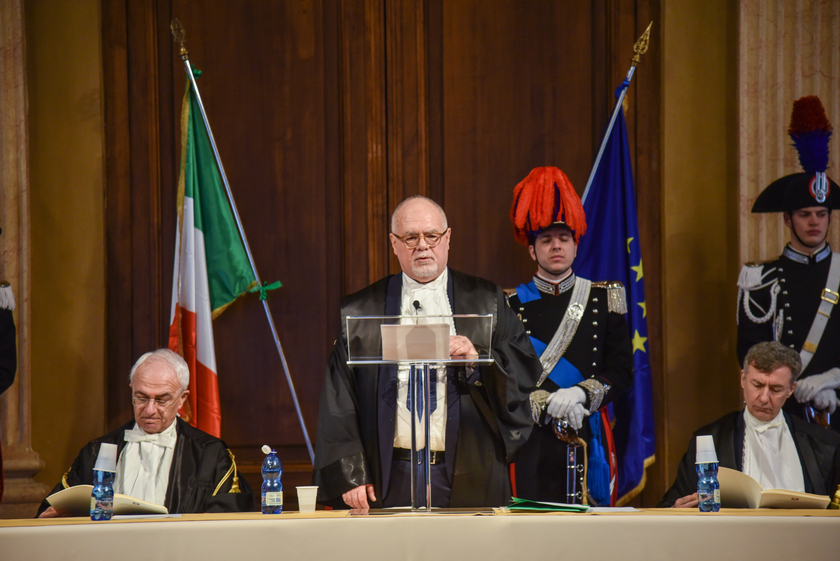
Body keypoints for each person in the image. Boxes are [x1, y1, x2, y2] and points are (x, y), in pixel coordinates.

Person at [313, 195, 541, 509]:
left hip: (469, 467)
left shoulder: (487, 300)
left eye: (432, 236)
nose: (423, 245)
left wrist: (479, 362)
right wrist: (351, 473)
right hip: (387, 474)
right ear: (394, 244)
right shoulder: (361, 310)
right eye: (410, 237)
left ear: (447, 238)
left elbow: (523, 372)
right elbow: (338, 399)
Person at [507, 167, 633, 505]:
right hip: (531, 441)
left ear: (576, 245)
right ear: (532, 250)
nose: (556, 246)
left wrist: (580, 393)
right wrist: (543, 402)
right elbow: (503, 381)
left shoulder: (605, 298)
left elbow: (622, 372)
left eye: (564, 238)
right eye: (546, 240)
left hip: (588, 435)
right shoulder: (510, 305)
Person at [37, 349, 255, 516]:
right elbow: (54, 509)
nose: (150, 410)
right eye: (141, 397)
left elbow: (228, 518)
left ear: (182, 399)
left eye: (162, 399)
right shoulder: (97, 451)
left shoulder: (210, 454)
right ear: (132, 389)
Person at [737, 96, 840, 428]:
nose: (814, 222)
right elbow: (750, 353)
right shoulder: (760, 278)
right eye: (805, 214)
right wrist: (792, 387)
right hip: (784, 412)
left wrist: (833, 380)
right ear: (787, 219)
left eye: (821, 214)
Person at [660, 341, 840, 508]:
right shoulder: (710, 439)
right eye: (757, 385)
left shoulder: (825, 446)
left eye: (775, 389)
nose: (763, 398)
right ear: (743, 379)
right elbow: (672, 504)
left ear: (791, 390)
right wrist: (679, 508)